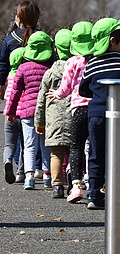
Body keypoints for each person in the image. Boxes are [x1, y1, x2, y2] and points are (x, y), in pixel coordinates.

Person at [79, 18, 120, 209]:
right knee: (118, 155)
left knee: (96, 154)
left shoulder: (92, 63)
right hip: (119, 115)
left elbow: (82, 90)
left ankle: (93, 194)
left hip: (96, 114)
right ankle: (116, 193)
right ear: (113, 40)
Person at [5, 31, 54, 190]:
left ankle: (29, 177)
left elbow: (15, 93)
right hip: (46, 112)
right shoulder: (50, 67)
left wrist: (11, 112)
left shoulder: (23, 68)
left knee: (29, 144)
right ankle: (47, 176)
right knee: (45, 144)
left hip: (27, 112)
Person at [52, 21, 94, 203]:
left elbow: (66, 88)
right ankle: (94, 183)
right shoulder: (96, 59)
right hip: (97, 107)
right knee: (93, 146)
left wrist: (57, 94)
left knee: (76, 146)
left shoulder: (72, 61)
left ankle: (76, 185)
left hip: (78, 109)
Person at [34, 29, 73, 199]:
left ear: (55, 49)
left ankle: (57, 186)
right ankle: (74, 181)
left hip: (54, 119)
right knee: (74, 151)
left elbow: (41, 99)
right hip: (73, 115)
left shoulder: (49, 73)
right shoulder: (77, 70)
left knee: (56, 153)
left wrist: (39, 122)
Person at [0, 0, 41, 99]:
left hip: (15, 87)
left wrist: (1, 85)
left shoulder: (10, 40)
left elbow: (3, 65)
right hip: (37, 85)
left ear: (19, 17)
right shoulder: (42, 38)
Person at [3, 47, 26, 184]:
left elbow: (8, 96)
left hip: (9, 114)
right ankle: (20, 173)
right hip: (23, 113)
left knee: (9, 145)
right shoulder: (24, 74)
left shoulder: (10, 76)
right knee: (24, 145)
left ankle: (8, 160)